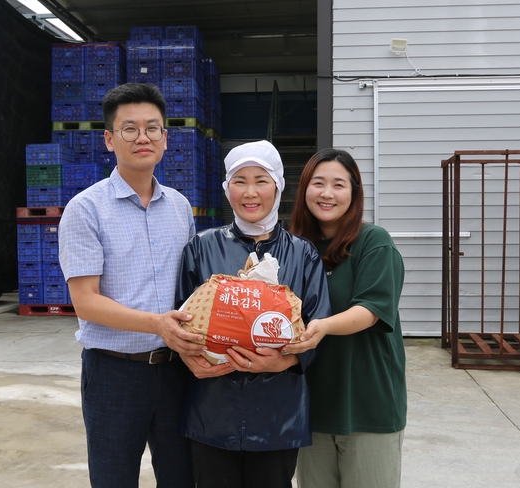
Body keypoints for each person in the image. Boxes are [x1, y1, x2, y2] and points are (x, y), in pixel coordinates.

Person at [58, 82, 205, 488]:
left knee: (182, 477)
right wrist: (157, 324)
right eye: (130, 128)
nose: (143, 137)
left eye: (153, 128)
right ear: (109, 139)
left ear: (165, 138)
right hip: (113, 373)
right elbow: (86, 302)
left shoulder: (179, 206)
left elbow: (191, 288)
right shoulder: (85, 209)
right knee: (114, 479)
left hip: (177, 371)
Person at [175, 140, 332, 488]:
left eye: (261, 180)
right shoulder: (201, 248)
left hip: (279, 414)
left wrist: (286, 362)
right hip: (211, 411)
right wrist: (188, 357)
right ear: (226, 188)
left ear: (278, 186)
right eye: (239, 180)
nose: (250, 192)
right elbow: (180, 320)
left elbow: (318, 326)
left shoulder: (303, 254)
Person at [284, 148, 407, 488]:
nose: (327, 193)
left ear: (354, 192)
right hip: (312, 408)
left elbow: (369, 310)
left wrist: (322, 326)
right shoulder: (294, 248)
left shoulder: (373, 242)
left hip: (367, 405)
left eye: (338, 184)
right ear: (304, 189)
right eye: (318, 183)